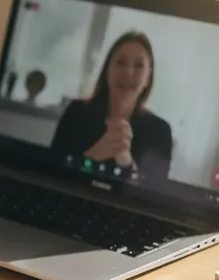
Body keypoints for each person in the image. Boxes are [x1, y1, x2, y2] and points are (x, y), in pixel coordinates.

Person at [50, 31, 173, 182]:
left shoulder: (160, 131)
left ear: (148, 78)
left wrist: (127, 163)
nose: (128, 73)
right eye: (121, 63)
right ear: (107, 70)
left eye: (139, 66)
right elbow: (51, 173)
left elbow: (153, 199)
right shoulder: (76, 112)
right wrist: (94, 156)